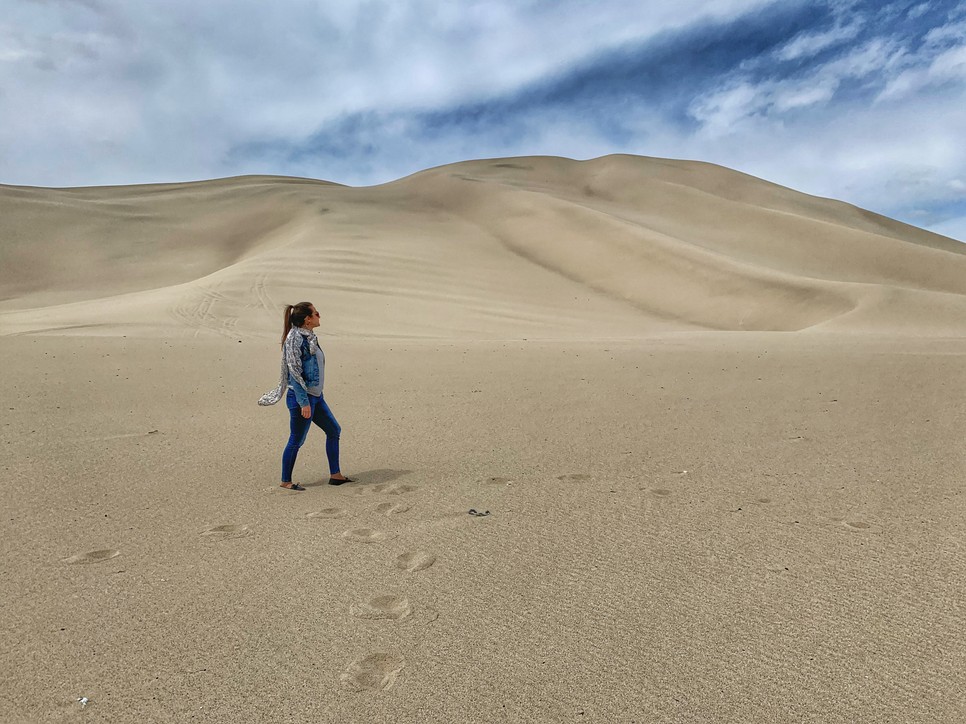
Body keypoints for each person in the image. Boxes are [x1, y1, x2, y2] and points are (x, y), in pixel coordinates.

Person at [258, 301, 353, 490]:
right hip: (302, 399)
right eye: (316, 313)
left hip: (316, 397)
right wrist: (304, 403)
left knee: (334, 430)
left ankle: (336, 475)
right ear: (307, 319)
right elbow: (294, 373)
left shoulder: (309, 336)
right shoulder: (294, 339)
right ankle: (286, 481)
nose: (319, 315)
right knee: (297, 439)